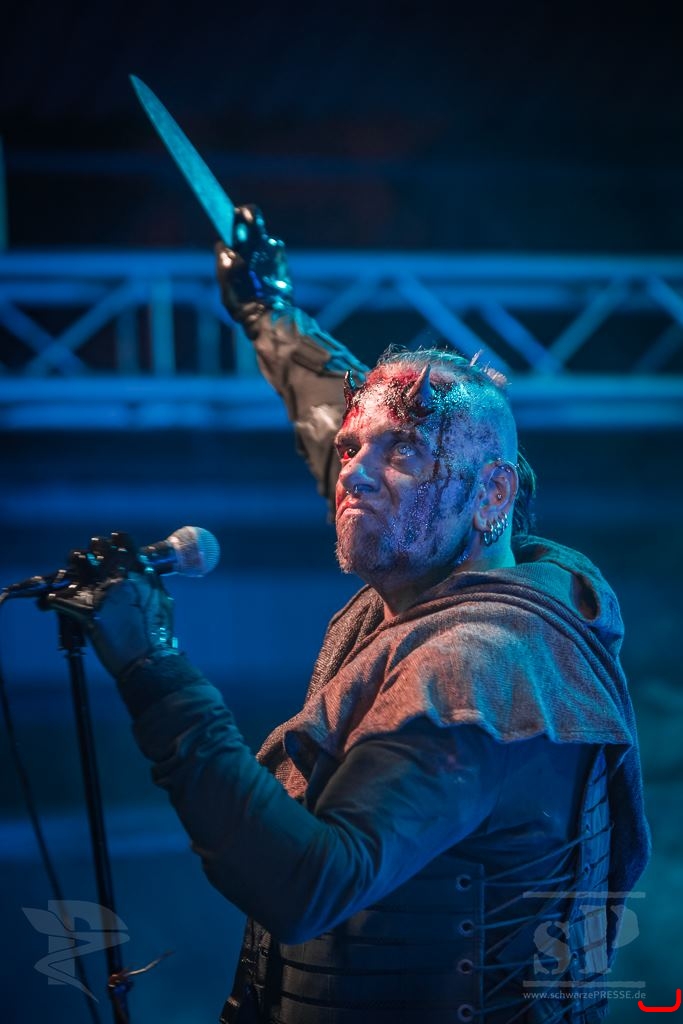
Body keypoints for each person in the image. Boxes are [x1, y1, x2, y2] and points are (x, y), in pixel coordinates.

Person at [47, 208, 650, 1023]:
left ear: (493, 493)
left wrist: (156, 670)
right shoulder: (455, 571)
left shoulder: (478, 662)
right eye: (351, 450)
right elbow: (342, 414)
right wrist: (271, 314)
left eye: (401, 452)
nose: (354, 473)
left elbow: (306, 888)